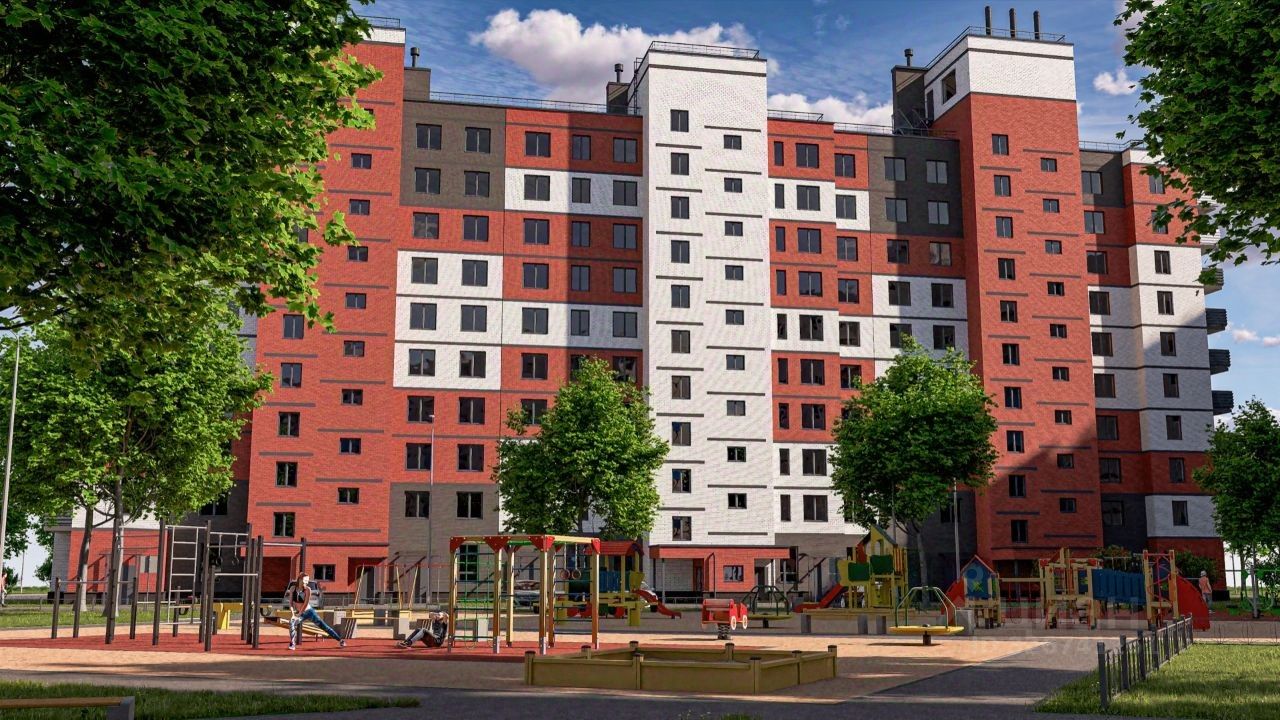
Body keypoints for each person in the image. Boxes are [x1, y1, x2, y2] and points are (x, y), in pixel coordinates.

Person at [287, 572, 345, 650]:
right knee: (291, 622)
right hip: (299, 613)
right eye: (305, 580)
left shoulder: (308, 590)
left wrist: (299, 614)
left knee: (324, 626)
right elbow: (290, 603)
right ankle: (292, 644)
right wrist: (293, 615)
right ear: (300, 579)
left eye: (307, 581)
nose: (306, 582)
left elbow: (305, 604)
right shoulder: (292, 588)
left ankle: (340, 640)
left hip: (309, 612)